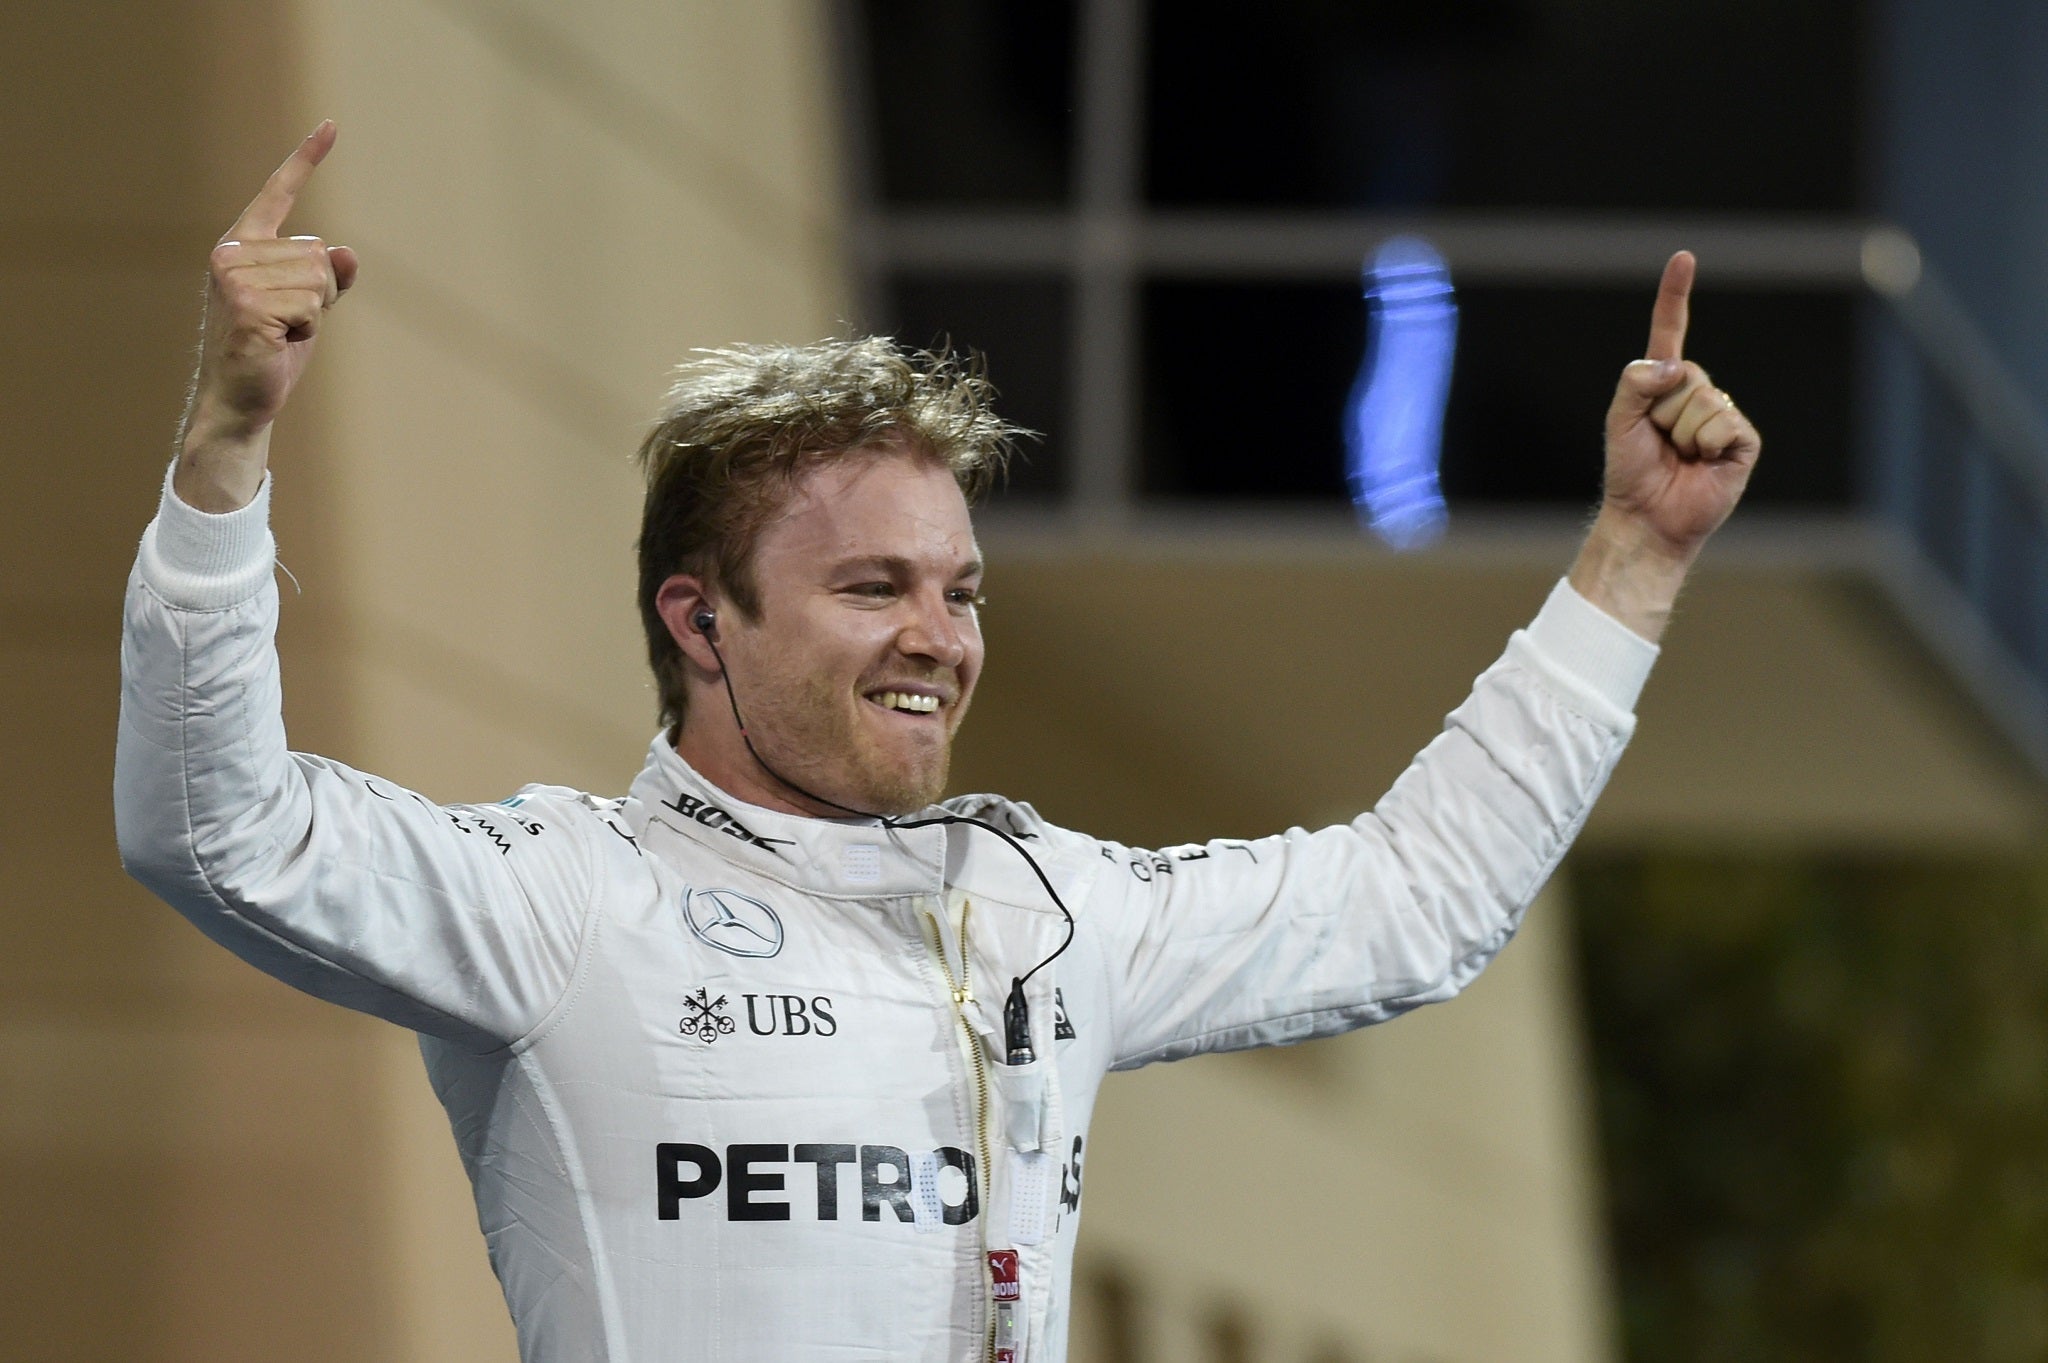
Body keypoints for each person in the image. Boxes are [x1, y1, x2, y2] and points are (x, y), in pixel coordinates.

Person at [116, 125, 1760, 1363]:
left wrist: (1633, 559)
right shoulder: (559, 896)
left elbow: (1412, 904)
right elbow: (219, 834)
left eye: (959, 588)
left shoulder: (1044, 902)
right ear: (702, 624)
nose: (940, 635)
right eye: (872, 586)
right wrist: (226, 444)